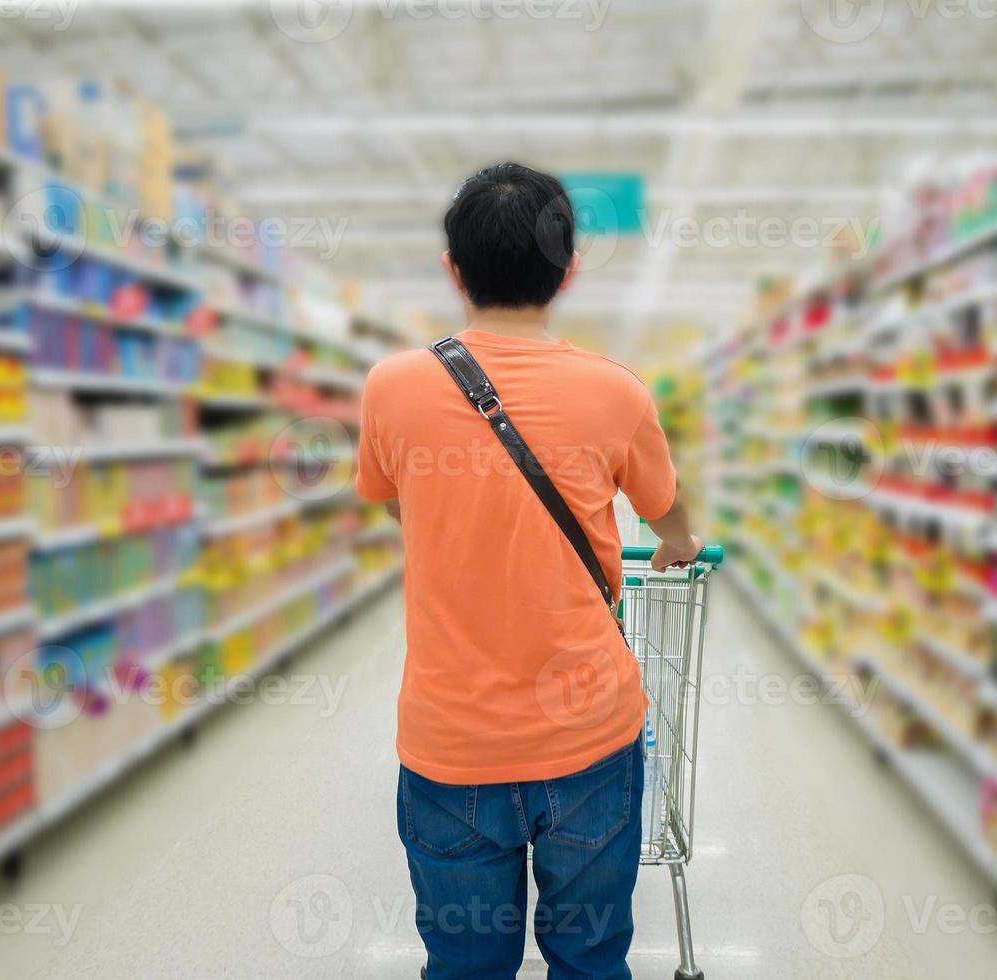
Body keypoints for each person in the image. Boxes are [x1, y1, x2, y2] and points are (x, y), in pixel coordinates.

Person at [354, 162, 703, 980]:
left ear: (453, 268)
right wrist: (678, 547)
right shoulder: (615, 393)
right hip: (587, 738)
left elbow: (394, 499)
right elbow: (667, 514)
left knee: (465, 963)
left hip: (449, 743)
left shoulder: (391, 387)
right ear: (569, 268)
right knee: (588, 958)